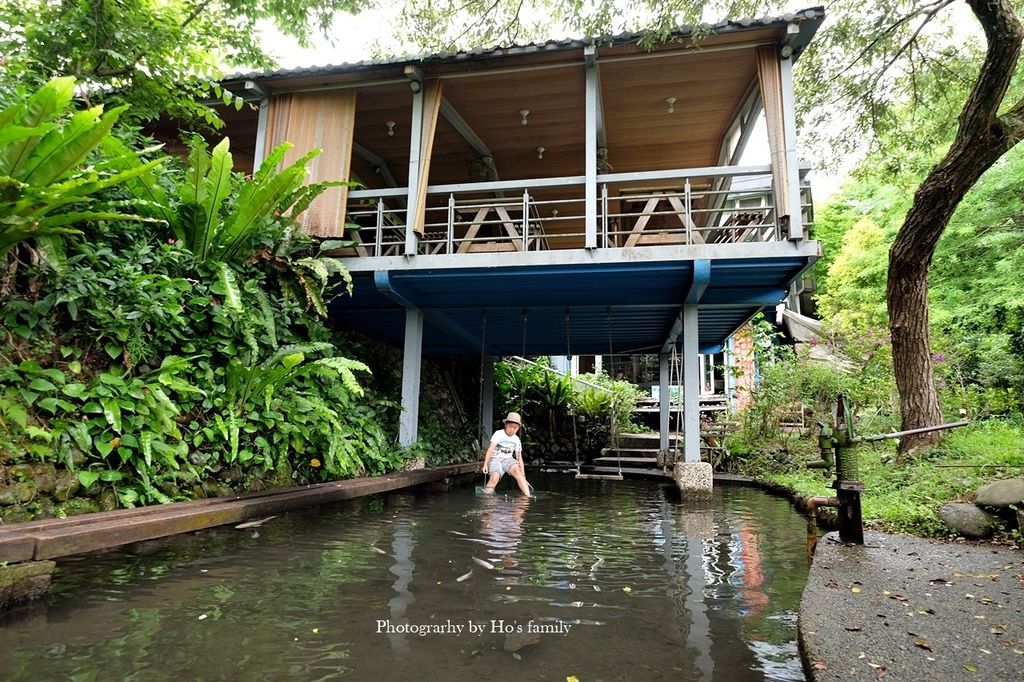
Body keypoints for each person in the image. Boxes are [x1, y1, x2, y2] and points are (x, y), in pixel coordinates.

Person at [481, 412, 533, 496]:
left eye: (515, 428)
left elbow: (519, 458)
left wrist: (523, 475)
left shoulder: (516, 439)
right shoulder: (498, 434)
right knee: (494, 478)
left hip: (508, 460)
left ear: (518, 428)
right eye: (510, 427)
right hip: (495, 459)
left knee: (518, 473)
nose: (512, 430)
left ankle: (528, 497)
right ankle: (487, 500)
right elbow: (490, 449)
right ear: (505, 425)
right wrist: (485, 464)